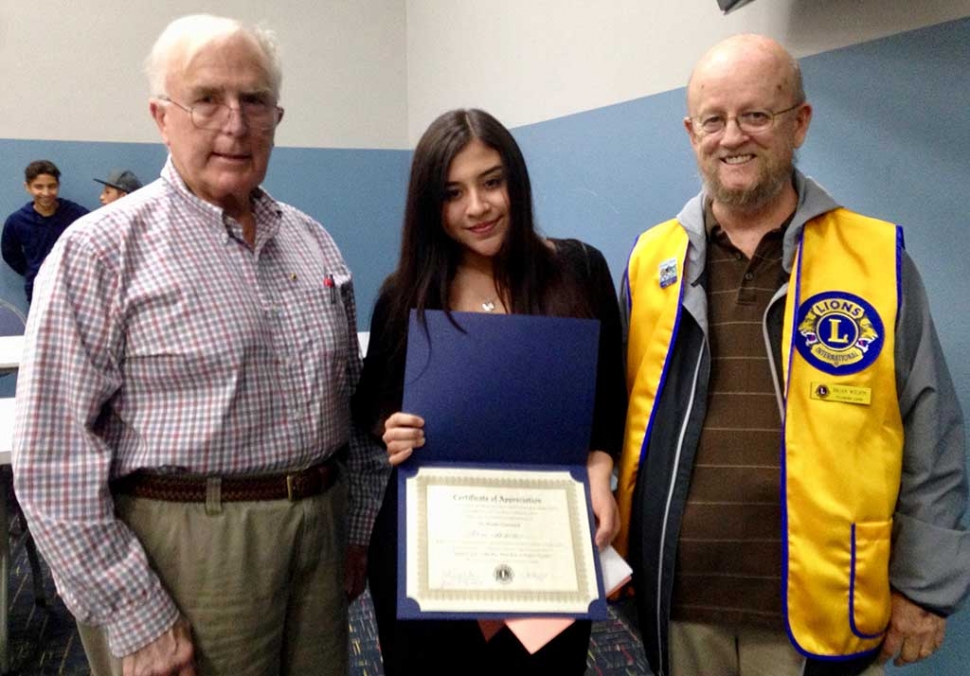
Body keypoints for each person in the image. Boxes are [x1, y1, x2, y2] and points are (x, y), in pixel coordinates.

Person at [13, 14, 386, 676]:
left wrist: (354, 529)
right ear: (162, 116)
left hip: (319, 538)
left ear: (277, 115)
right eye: (207, 99)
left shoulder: (312, 241)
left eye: (254, 101)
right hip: (189, 550)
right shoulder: (100, 250)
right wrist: (134, 614)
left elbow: (350, 407)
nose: (235, 124)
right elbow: (54, 458)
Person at [616, 34, 969, 676]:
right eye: (714, 120)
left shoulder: (876, 261)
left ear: (798, 123)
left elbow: (932, 434)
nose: (732, 138)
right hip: (680, 604)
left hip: (823, 606)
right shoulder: (651, 261)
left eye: (755, 115)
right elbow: (617, 422)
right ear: (691, 131)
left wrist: (924, 587)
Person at [352, 108, 626, 675]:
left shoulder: (578, 271)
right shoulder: (405, 296)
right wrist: (391, 430)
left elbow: (608, 405)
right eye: (453, 192)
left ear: (515, 182)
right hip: (434, 549)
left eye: (492, 181)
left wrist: (600, 472)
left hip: (546, 544)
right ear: (431, 205)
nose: (477, 207)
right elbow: (371, 414)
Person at [2, 160, 88, 303]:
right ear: (27, 187)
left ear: (58, 186)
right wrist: (32, 271)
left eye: (52, 186)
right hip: (38, 291)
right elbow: (10, 253)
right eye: (38, 187)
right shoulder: (16, 221)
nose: (46, 193)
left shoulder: (75, 214)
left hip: (73, 289)